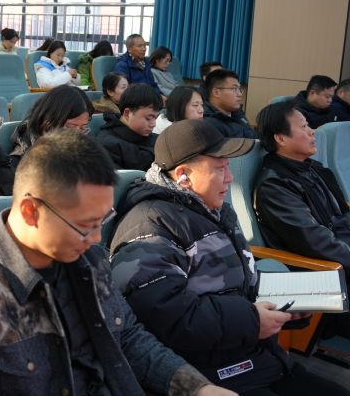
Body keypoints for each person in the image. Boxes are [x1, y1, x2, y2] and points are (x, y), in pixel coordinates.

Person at [0, 129, 228, 396]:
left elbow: (128, 338)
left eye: (101, 221)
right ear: (30, 211)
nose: (96, 239)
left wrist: (197, 388)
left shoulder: (86, 259)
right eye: (85, 225)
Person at [108, 119, 349, 394]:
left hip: (254, 355)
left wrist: (289, 305)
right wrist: (252, 321)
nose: (230, 178)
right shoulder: (149, 227)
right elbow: (164, 316)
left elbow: (240, 280)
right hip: (209, 375)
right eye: (220, 168)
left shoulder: (215, 210)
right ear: (184, 175)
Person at [255, 100, 350, 281]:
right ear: (281, 138)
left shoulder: (314, 168)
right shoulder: (275, 185)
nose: (312, 131)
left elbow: (341, 214)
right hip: (324, 272)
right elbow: (315, 241)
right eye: (304, 126)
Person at [10, 85, 93, 168]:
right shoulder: (22, 162)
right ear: (48, 121)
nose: (77, 135)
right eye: (71, 127)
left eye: (83, 127)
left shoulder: (87, 148)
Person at [96, 83, 160, 170]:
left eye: (155, 118)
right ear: (127, 113)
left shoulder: (158, 139)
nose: (153, 124)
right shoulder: (107, 145)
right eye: (148, 118)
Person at [203, 69, 256, 138]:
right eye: (234, 89)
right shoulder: (208, 124)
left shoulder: (238, 114)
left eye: (239, 89)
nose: (240, 94)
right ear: (216, 92)